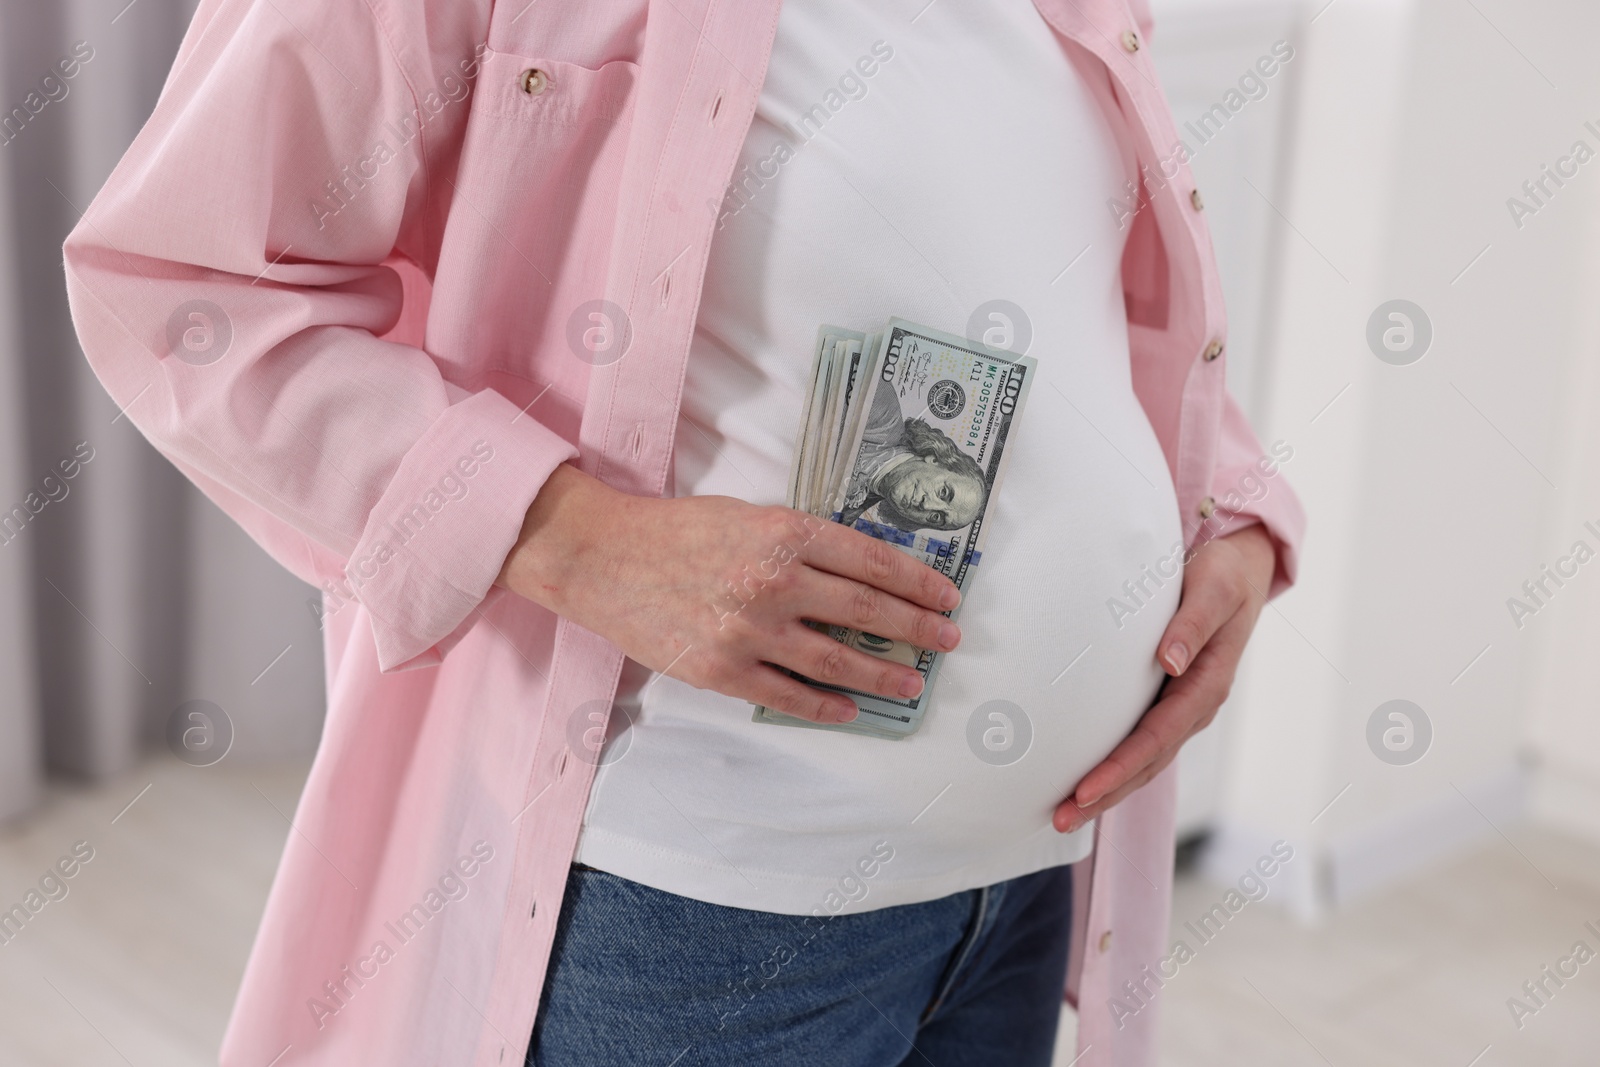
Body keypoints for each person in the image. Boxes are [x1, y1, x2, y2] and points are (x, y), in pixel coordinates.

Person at [63, 0, 1306, 1064]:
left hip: (1020, 884)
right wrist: (575, 535)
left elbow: (1079, 293)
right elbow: (181, 290)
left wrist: (1227, 515)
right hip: (698, 912)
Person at [838, 377, 990, 533]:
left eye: (936, 517)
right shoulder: (882, 411)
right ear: (935, 459)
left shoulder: (846, 518)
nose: (926, 506)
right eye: (943, 492)